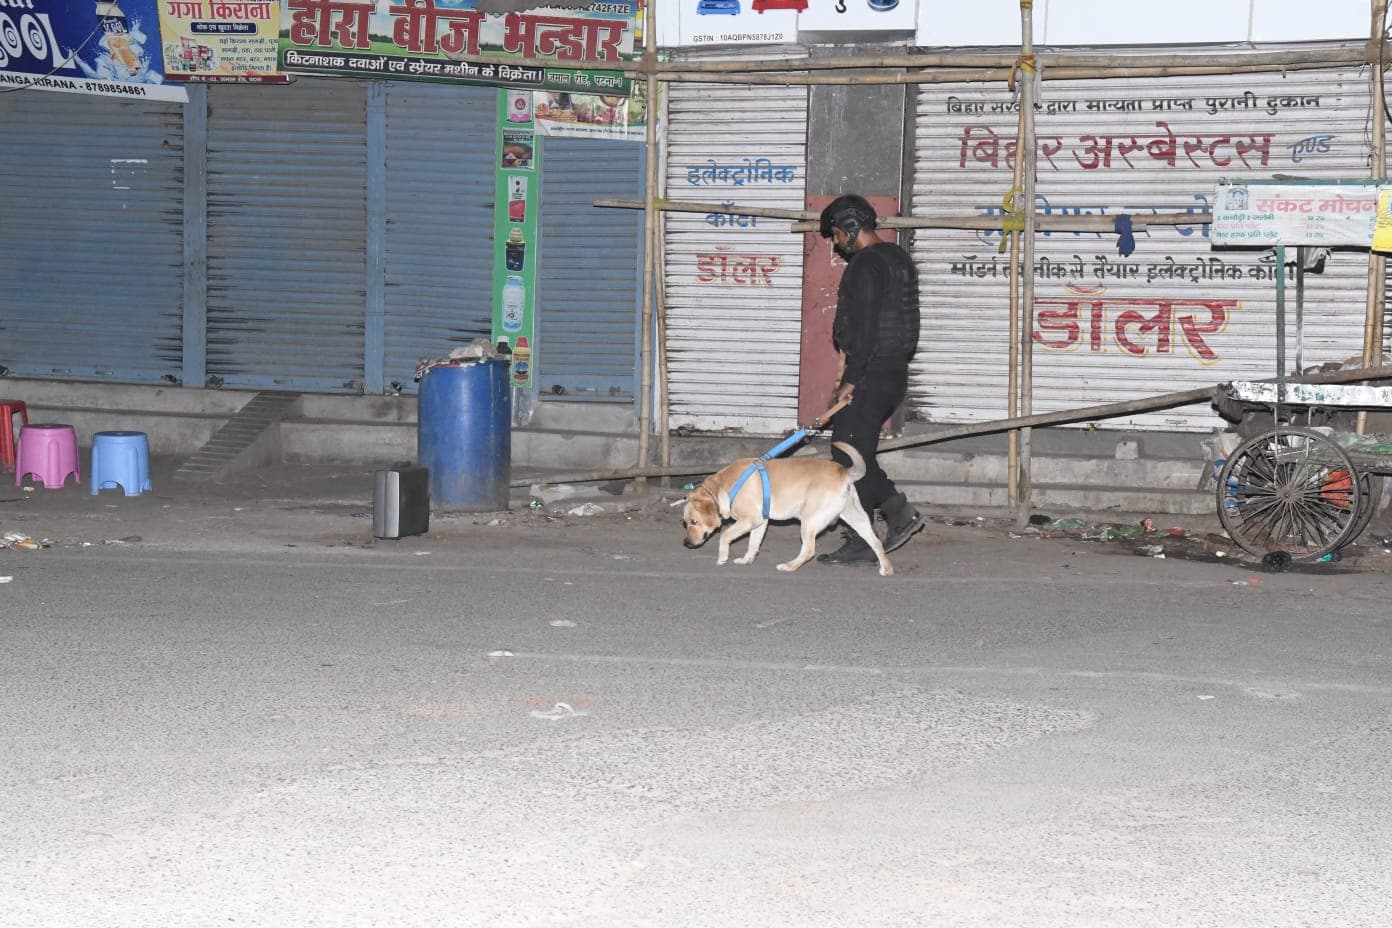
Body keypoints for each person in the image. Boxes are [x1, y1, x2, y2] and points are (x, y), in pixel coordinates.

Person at [815, 194, 924, 566]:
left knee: (847, 455)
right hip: (893, 372)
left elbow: (863, 330)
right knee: (855, 452)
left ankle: (885, 522)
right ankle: (889, 517)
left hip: (871, 372)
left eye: (834, 234)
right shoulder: (898, 258)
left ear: (848, 226)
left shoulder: (865, 266)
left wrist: (851, 379)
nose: (834, 243)